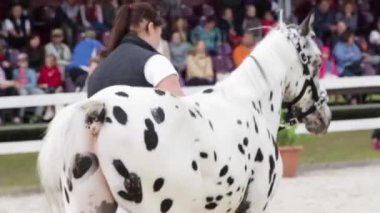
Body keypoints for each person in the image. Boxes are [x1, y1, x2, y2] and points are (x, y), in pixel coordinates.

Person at [87, 3, 183, 98]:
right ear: (150, 28)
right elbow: (179, 109)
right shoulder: (155, 62)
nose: (159, 41)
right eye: (160, 34)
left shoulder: (95, 73)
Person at [12, 53, 45, 122]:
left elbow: (33, 84)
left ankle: (37, 116)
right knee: (23, 93)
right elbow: (15, 82)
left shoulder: (31, 71)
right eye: (21, 61)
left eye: (25, 61)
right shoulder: (15, 72)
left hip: (30, 88)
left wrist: (23, 86)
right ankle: (21, 116)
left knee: (42, 94)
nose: (24, 63)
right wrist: (19, 85)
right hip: (20, 88)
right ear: (18, 63)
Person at [38, 54, 63, 121]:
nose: (47, 63)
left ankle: (52, 110)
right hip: (45, 88)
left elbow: (57, 81)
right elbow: (40, 80)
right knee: (45, 92)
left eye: (49, 61)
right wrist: (41, 85)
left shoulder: (56, 69)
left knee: (55, 91)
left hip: (55, 87)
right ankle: (49, 110)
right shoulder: (43, 70)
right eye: (46, 61)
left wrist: (48, 85)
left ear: (53, 62)